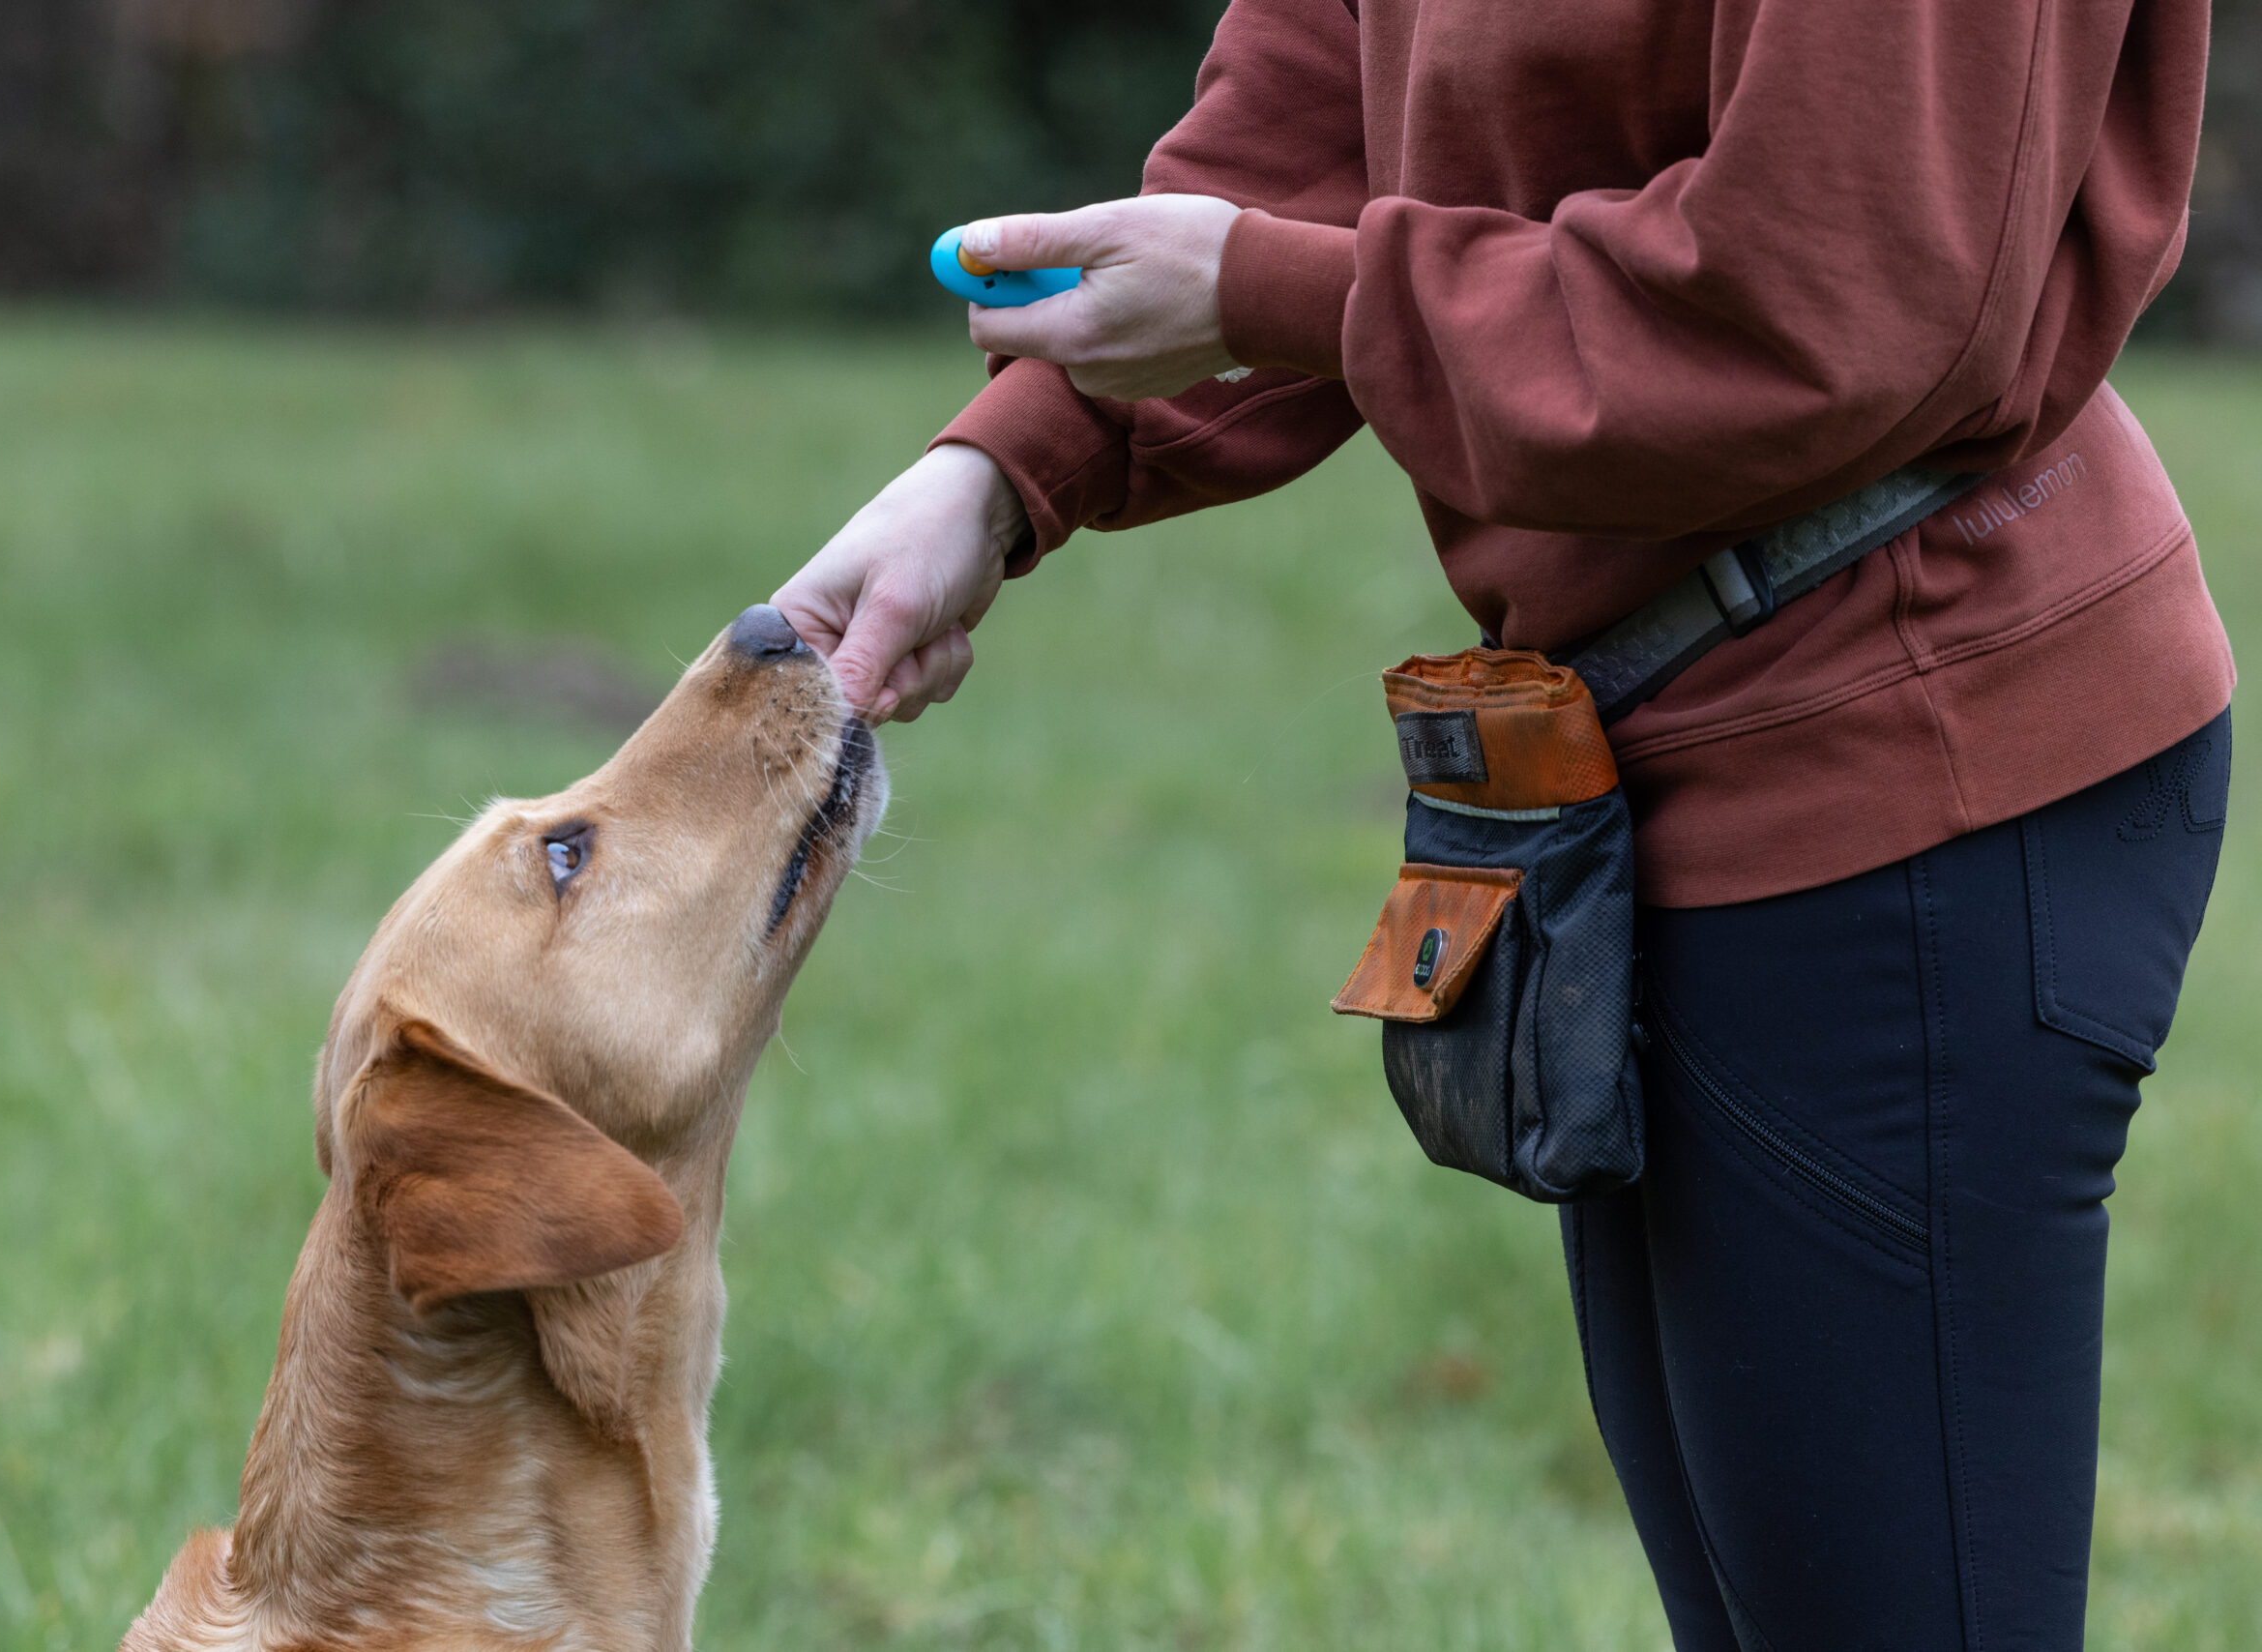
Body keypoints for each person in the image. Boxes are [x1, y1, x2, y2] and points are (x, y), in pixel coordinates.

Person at [771, 0, 2234, 1645]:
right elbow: (1331, 88)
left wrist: (1263, 289)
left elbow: (1822, 309)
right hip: (1657, 746)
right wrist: (1004, 469)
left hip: (1906, 769)